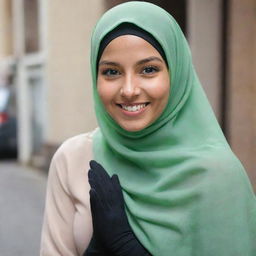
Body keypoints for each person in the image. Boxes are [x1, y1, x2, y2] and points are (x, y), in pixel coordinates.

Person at [40, 2, 256, 256]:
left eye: (149, 70)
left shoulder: (218, 175)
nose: (129, 90)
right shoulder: (73, 158)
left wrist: (124, 245)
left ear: (176, 74)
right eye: (111, 71)